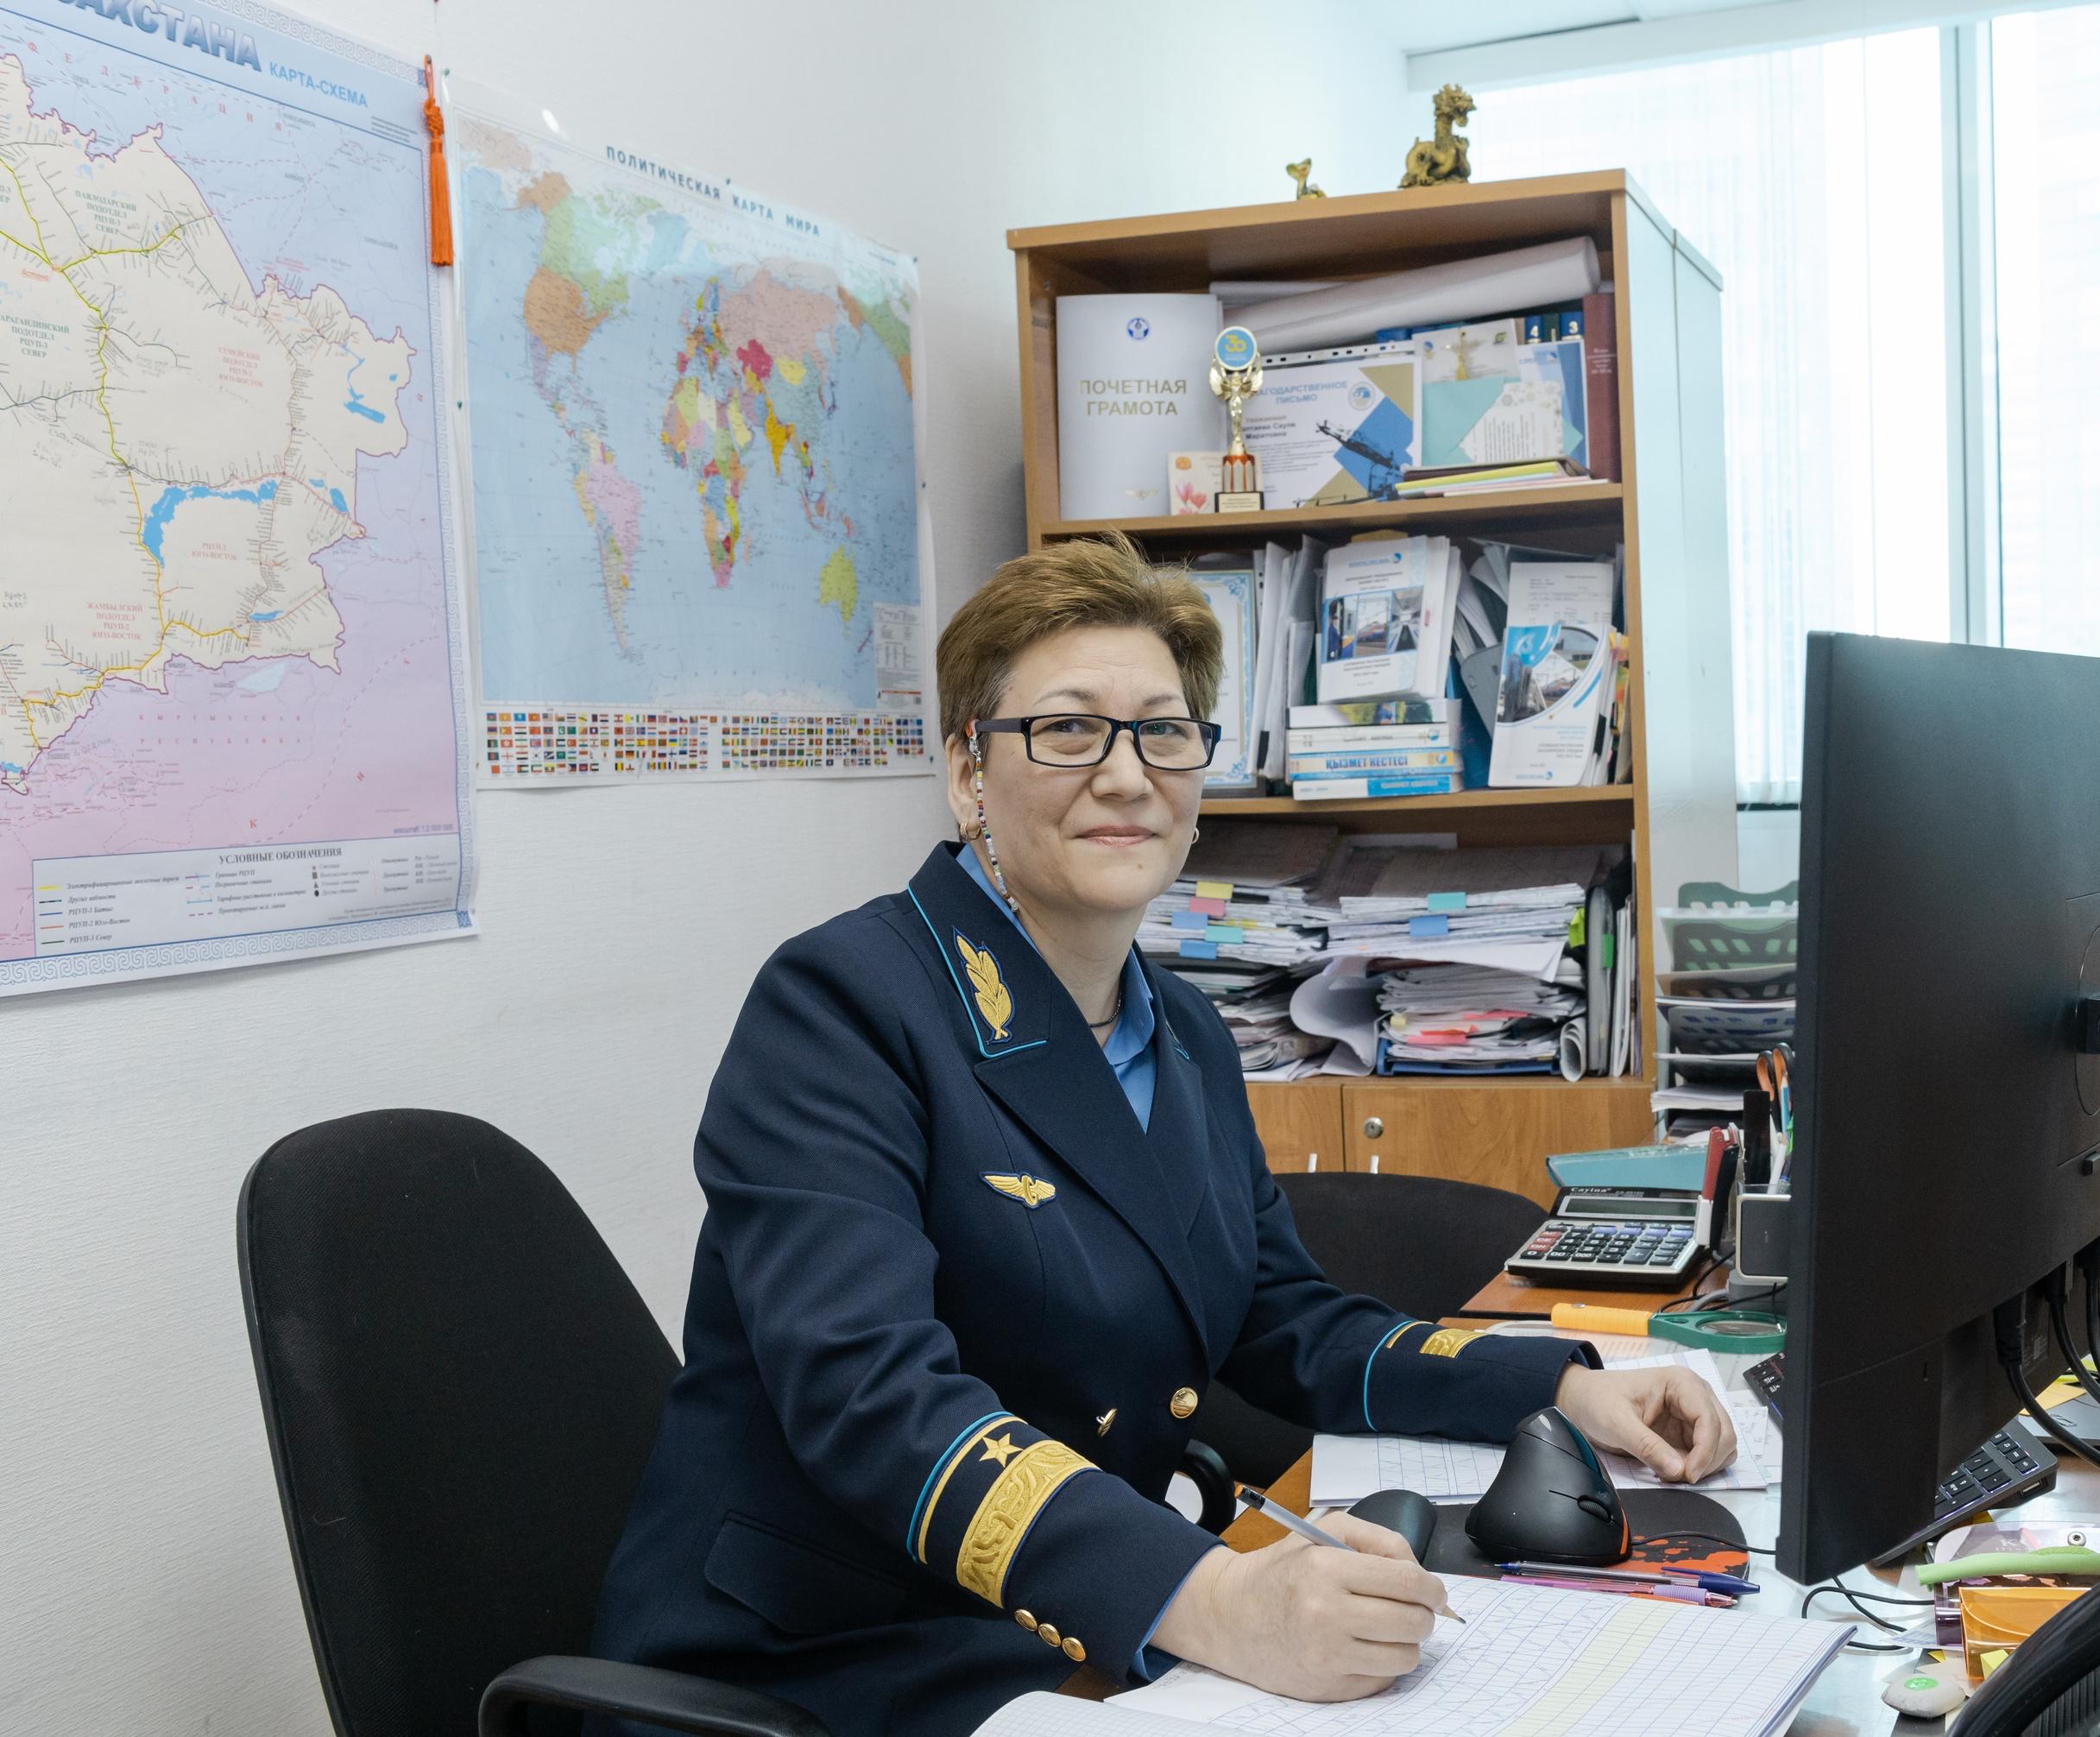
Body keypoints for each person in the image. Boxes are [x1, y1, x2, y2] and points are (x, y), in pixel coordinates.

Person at [589, 534, 1737, 1737]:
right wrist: (1215, 1598)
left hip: (1069, 1624)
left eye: (1163, 732)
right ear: (968, 772)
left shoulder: (1181, 1027)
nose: (1128, 776)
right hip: (831, 1656)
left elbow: (1280, 1319)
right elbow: (872, 1400)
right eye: (1068, 731)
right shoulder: (843, 1007)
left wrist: (1558, 1386)